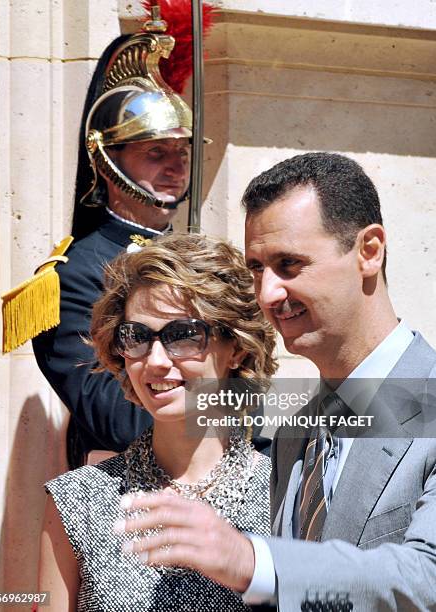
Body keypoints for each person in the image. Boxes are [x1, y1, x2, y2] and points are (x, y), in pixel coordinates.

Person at [118, 153, 436, 611]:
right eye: (256, 268)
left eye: (290, 264)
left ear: (369, 252)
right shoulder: (295, 432)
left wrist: (251, 560)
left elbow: (426, 578)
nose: (267, 294)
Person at [38, 233, 278, 611]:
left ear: (237, 347)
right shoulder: (77, 500)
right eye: (137, 336)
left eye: (182, 336)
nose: (155, 361)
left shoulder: (285, 496)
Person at [31, 13, 199, 464]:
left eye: (181, 152)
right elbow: (117, 419)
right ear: (109, 162)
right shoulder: (72, 275)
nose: (175, 166)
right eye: (155, 153)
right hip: (126, 494)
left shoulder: (198, 259)